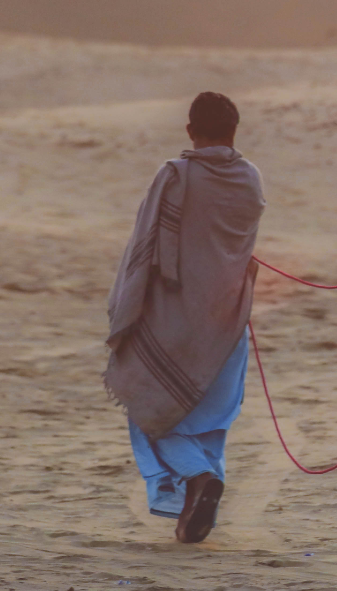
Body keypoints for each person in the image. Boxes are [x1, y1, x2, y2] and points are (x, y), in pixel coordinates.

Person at [104, 91, 266, 543]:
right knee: (210, 417)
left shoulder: (175, 175)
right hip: (228, 321)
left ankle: (198, 479)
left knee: (150, 407)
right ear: (235, 132)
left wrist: (125, 307)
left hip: (174, 319)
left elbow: (145, 246)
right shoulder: (250, 177)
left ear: (191, 131)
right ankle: (198, 504)